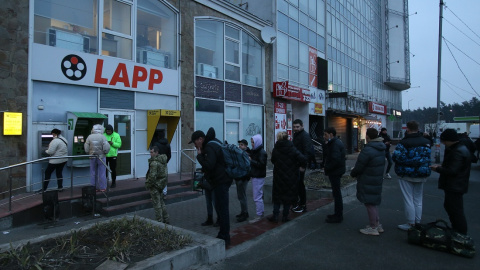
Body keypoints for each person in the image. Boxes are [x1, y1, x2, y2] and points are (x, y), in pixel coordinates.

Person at [190, 128, 232, 247]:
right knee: (221, 208)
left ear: (200, 139)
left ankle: (225, 236)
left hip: (221, 181)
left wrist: (199, 156)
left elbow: (209, 165)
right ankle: (223, 234)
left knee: (222, 209)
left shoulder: (209, 147)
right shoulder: (214, 142)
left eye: (195, 142)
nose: (194, 145)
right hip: (222, 180)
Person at [392, 120, 431, 231]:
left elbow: (397, 157)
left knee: (408, 198)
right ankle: (417, 221)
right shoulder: (426, 141)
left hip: (406, 173)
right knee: (418, 199)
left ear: (407, 129)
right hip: (422, 173)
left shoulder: (404, 143)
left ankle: (410, 223)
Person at [430, 129, 471, 235]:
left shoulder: (457, 151)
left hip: (454, 185)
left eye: (444, 141)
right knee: (452, 207)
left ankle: (460, 232)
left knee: (455, 209)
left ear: (449, 140)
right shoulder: (461, 149)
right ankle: (458, 230)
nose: (443, 144)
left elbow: (452, 171)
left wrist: (438, 169)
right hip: (457, 184)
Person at [350, 128, 386, 235]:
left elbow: (359, 166)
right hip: (376, 178)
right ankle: (377, 224)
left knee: (369, 203)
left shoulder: (368, 149)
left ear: (368, 136)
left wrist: (353, 173)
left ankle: (373, 227)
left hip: (367, 179)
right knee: (373, 202)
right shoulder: (381, 148)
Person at [269, 131, 307, 223]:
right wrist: (301, 166)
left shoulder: (276, 149)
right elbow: (303, 158)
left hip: (278, 176)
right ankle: (285, 216)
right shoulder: (292, 148)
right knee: (287, 197)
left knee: (277, 197)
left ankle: (275, 216)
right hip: (290, 176)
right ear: (287, 138)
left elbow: (273, 160)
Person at [323, 127, 346, 223]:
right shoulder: (334, 143)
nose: (324, 136)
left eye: (325, 134)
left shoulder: (335, 144)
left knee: (337, 194)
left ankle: (338, 215)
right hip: (336, 171)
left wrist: (327, 167)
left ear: (331, 134)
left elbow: (335, 159)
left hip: (335, 171)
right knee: (336, 193)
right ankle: (337, 214)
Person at [291, 119, 314, 213]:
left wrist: (303, 166)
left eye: (297, 127)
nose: (295, 128)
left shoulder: (304, 136)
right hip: (296, 164)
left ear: (302, 126)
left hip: (300, 165)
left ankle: (303, 205)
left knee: (300, 185)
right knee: (297, 185)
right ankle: (298, 203)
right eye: (294, 127)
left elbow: (307, 152)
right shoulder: (297, 135)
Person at [145, 145, 169, 224]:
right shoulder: (162, 160)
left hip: (155, 185)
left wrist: (147, 184)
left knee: (157, 204)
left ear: (156, 152)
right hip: (161, 184)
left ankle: (159, 222)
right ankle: (166, 219)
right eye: (150, 152)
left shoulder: (154, 163)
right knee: (162, 203)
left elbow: (152, 176)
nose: (150, 154)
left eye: (152, 152)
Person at [84, 124, 110, 192]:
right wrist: (105, 152)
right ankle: (102, 187)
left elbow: (86, 148)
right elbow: (106, 148)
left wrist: (88, 153)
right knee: (102, 172)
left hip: (92, 157)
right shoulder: (103, 137)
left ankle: (93, 187)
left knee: (93, 172)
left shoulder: (89, 137)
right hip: (101, 157)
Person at [248, 134, 267, 224]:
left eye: (253, 142)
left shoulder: (261, 152)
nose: (252, 144)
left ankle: (259, 214)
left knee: (257, 197)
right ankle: (260, 213)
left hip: (258, 176)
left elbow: (261, 165)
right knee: (258, 195)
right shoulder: (256, 151)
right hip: (256, 175)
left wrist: (251, 160)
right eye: (251, 142)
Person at [235, 139, 251, 222]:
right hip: (239, 177)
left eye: (241, 145)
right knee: (240, 195)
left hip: (243, 177)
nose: (240, 146)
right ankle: (243, 212)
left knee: (242, 196)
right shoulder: (240, 153)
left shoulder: (245, 154)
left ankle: (245, 213)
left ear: (245, 146)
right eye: (239, 144)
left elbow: (247, 166)